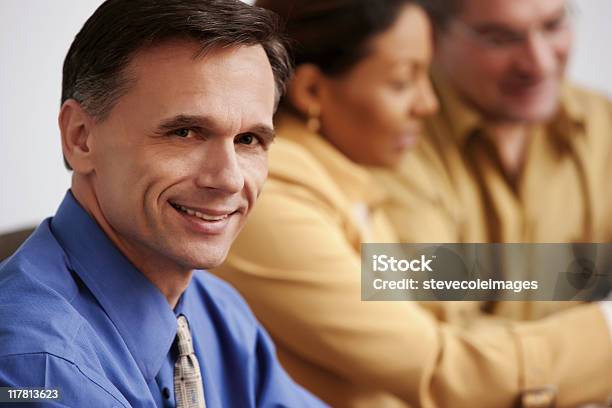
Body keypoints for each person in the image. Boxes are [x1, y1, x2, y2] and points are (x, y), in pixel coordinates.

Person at [213, 0, 612, 407]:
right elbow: (437, 367)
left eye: (553, 25)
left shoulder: (344, 181)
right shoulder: (276, 196)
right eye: (403, 82)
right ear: (313, 91)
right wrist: (603, 329)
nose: (428, 104)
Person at [0, 0, 326, 406]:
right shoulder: (36, 369)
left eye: (248, 140)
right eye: (185, 132)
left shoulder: (217, 310)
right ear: (81, 137)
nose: (228, 178)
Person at [373, 0, 612, 244]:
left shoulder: (602, 121)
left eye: (553, 25)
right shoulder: (392, 141)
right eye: (501, 38)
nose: (540, 63)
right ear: (430, 33)